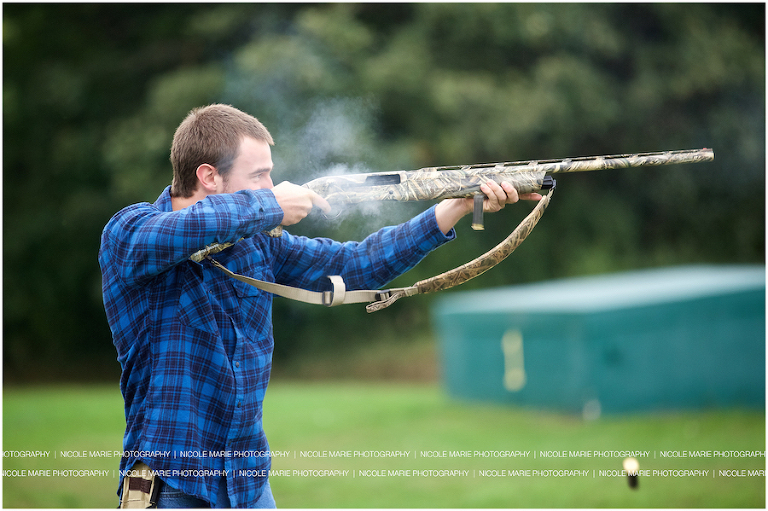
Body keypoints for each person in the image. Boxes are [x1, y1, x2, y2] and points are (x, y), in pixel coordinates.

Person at [99, 104, 540, 508]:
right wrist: (270, 206)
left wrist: (455, 207)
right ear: (209, 176)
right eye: (259, 176)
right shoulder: (129, 232)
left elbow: (356, 264)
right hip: (172, 486)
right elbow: (184, 230)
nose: (270, 187)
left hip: (248, 486)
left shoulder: (258, 243)